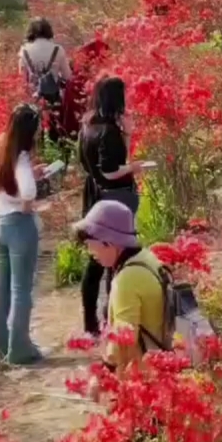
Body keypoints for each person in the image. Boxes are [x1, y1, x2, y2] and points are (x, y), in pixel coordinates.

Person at [78, 75, 147, 338]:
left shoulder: (88, 126)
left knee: (96, 257)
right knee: (115, 256)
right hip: (116, 196)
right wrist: (133, 168)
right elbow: (111, 170)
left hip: (94, 195)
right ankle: (110, 315)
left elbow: (96, 167)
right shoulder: (108, 130)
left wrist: (127, 134)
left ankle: (91, 321)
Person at [73, 201, 165, 376]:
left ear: (109, 242)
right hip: (161, 360)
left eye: (90, 243)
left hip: (143, 378)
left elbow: (124, 339)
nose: (89, 251)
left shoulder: (126, 279)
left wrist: (102, 375)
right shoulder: (147, 257)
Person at [0, 104, 45, 366]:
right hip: (18, 226)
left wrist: (28, 179)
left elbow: (2, 182)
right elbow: (29, 192)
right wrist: (27, 200)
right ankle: (20, 348)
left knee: (1, 287)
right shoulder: (20, 156)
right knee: (21, 290)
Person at [18, 17, 72, 106]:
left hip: (33, 100)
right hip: (54, 99)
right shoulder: (57, 49)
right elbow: (67, 76)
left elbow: (22, 81)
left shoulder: (24, 51)